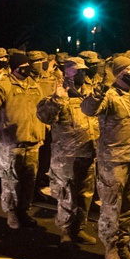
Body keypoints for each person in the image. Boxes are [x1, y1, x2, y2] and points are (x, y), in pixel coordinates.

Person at [82, 55, 130, 259]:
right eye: (128, 68)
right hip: (113, 160)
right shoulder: (109, 96)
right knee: (112, 207)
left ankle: (123, 246)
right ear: (118, 72)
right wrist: (100, 88)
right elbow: (88, 109)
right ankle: (110, 249)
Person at [36, 57, 99, 245]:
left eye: (83, 70)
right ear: (67, 73)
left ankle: (78, 229)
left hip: (88, 152)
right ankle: (65, 231)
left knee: (85, 194)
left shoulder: (89, 94)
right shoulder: (57, 96)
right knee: (66, 195)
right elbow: (44, 117)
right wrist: (57, 100)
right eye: (77, 70)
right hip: (66, 157)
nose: (82, 73)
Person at [0, 51, 47, 229]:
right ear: (14, 68)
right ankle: (12, 213)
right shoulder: (6, 84)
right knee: (11, 180)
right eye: (23, 67)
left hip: (32, 141)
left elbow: (40, 111)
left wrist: (40, 135)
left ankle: (23, 210)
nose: (27, 69)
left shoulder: (34, 85)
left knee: (29, 179)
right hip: (11, 142)